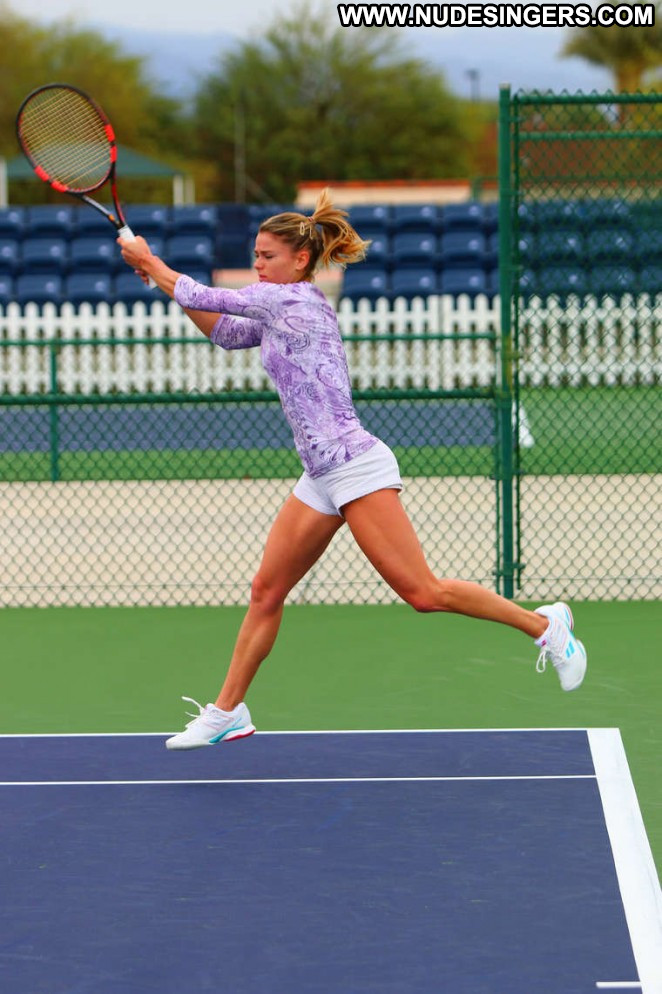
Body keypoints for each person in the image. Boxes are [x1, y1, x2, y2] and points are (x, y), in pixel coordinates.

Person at [118, 189, 587, 751]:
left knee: (424, 592)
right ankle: (228, 711)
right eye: (255, 255)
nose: (258, 264)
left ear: (299, 260)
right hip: (319, 475)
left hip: (354, 466)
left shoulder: (291, 301)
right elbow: (221, 330)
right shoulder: (278, 308)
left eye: (267, 256)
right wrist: (161, 281)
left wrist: (150, 262)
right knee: (266, 590)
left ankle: (546, 626)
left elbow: (200, 292)